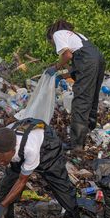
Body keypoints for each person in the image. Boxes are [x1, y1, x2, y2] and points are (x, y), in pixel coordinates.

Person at [0, 118, 86, 218]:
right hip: (18, 154)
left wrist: (1, 206)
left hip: (46, 148)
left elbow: (22, 180)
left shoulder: (30, 149)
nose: (0, 163)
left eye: (2, 160)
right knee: (5, 189)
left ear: (12, 151)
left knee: (65, 194)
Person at [45, 19, 106, 151]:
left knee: (81, 100)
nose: (52, 44)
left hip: (87, 60)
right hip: (98, 58)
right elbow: (74, 57)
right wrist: (65, 71)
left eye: (50, 43)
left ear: (51, 36)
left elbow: (67, 55)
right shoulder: (75, 34)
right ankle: (89, 130)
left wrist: (56, 67)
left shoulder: (57, 34)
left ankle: (77, 144)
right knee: (92, 95)